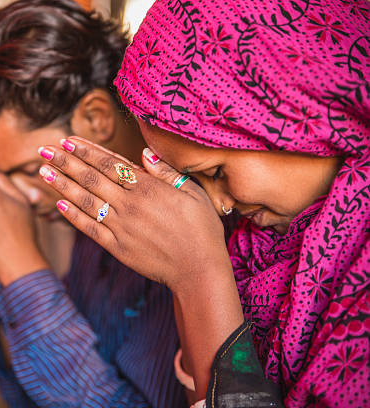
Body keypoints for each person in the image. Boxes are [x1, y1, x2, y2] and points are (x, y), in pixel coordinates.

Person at [37, 0, 369, 406]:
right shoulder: (255, 249)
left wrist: (198, 278)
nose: (219, 205)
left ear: (302, 112)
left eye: (215, 172)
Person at [0, 1, 187, 406]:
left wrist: (19, 267)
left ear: (96, 118)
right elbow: (31, 395)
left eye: (29, 168)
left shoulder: (193, 231)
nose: (23, 197)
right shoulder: (91, 229)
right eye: (4, 176)